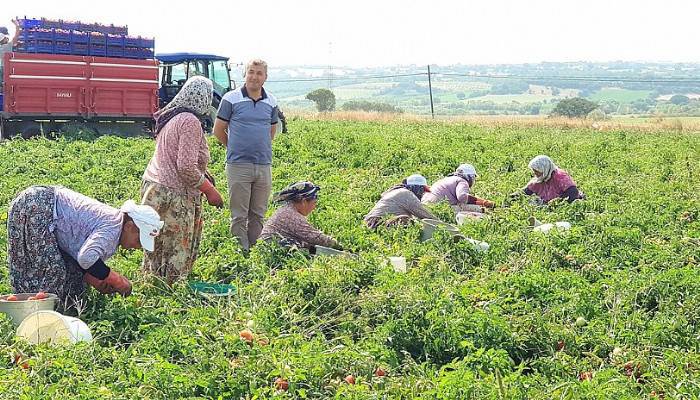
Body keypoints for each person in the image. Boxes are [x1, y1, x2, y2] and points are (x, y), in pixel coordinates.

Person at [6, 186, 163, 305]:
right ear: (129, 227)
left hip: (41, 206)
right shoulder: (113, 227)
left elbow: (76, 254)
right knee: (53, 271)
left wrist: (95, 280)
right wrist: (116, 279)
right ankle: (36, 317)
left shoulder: (114, 226)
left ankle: (50, 311)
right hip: (38, 206)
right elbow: (86, 257)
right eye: (138, 241)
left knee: (75, 283)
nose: (137, 247)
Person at [141, 76, 224, 283]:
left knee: (156, 245)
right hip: (173, 194)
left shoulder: (173, 116)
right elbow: (185, 167)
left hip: (155, 189)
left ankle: (153, 287)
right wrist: (209, 190)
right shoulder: (190, 121)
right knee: (174, 247)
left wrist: (204, 176)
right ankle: (170, 292)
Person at [213, 59, 279, 251]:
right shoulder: (231, 98)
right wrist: (233, 148)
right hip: (238, 165)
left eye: (259, 73)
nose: (254, 77)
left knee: (258, 213)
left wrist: (261, 147)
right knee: (239, 214)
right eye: (251, 72)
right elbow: (218, 130)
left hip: (263, 164)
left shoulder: (271, 101)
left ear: (265, 77)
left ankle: (255, 251)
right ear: (245, 74)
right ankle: (241, 252)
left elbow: (272, 130)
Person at [260, 181, 340, 250]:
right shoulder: (291, 216)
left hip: (272, 245)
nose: (314, 207)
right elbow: (316, 238)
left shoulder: (288, 210)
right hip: (273, 247)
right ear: (304, 201)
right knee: (314, 251)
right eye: (314, 203)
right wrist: (339, 246)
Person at [364, 174, 437, 229]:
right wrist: (442, 225)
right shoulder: (406, 194)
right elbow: (425, 215)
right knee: (405, 220)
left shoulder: (399, 191)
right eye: (422, 190)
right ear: (418, 188)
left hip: (371, 222)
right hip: (376, 223)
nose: (422, 193)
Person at [511, 155, 585, 205]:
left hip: (567, 204)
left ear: (544, 168)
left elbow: (573, 193)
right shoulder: (540, 179)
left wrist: (558, 202)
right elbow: (525, 192)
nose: (535, 173)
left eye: (537, 171)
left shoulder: (560, 176)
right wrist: (510, 198)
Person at [422, 163, 495, 213]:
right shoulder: (462, 181)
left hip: (424, 205)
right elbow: (462, 197)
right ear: (470, 176)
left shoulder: (448, 179)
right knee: (475, 209)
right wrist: (484, 203)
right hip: (435, 207)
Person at [0, 21, 21, 87]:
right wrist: (17, 26)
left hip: (1, 67)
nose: (7, 39)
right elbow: (16, 37)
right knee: (7, 85)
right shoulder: (7, 46)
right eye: (6, 38)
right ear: (3, 39)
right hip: (6, 68)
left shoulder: (2, 47)